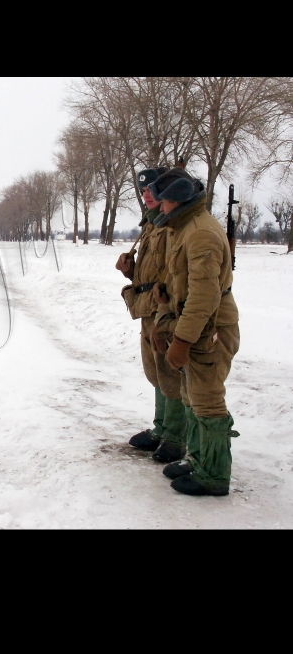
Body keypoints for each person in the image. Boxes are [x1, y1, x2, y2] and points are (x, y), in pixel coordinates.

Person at [148, 170, 240, 496]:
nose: (160, 209)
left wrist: (183, 341)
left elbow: (204, 296)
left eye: (165, 202)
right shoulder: (185, 227)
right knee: (191, 397)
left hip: (208, 328)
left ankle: (213, 475)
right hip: (195, 323)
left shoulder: (201, 234)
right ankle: (198, 460)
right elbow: (185, 282)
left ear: (180, 200)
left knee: (207, 400)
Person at [116, 168, 187, 463]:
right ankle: (161, 429)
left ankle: (175, 436)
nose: (146, 195)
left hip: (164, 308)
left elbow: (175, 272)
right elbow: (152, 268)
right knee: (156, 371)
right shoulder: (151, 224)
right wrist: (131, 270)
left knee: (170, 371)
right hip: (147, 306)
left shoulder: (172, 226)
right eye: (142, 190)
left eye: (151, 190)